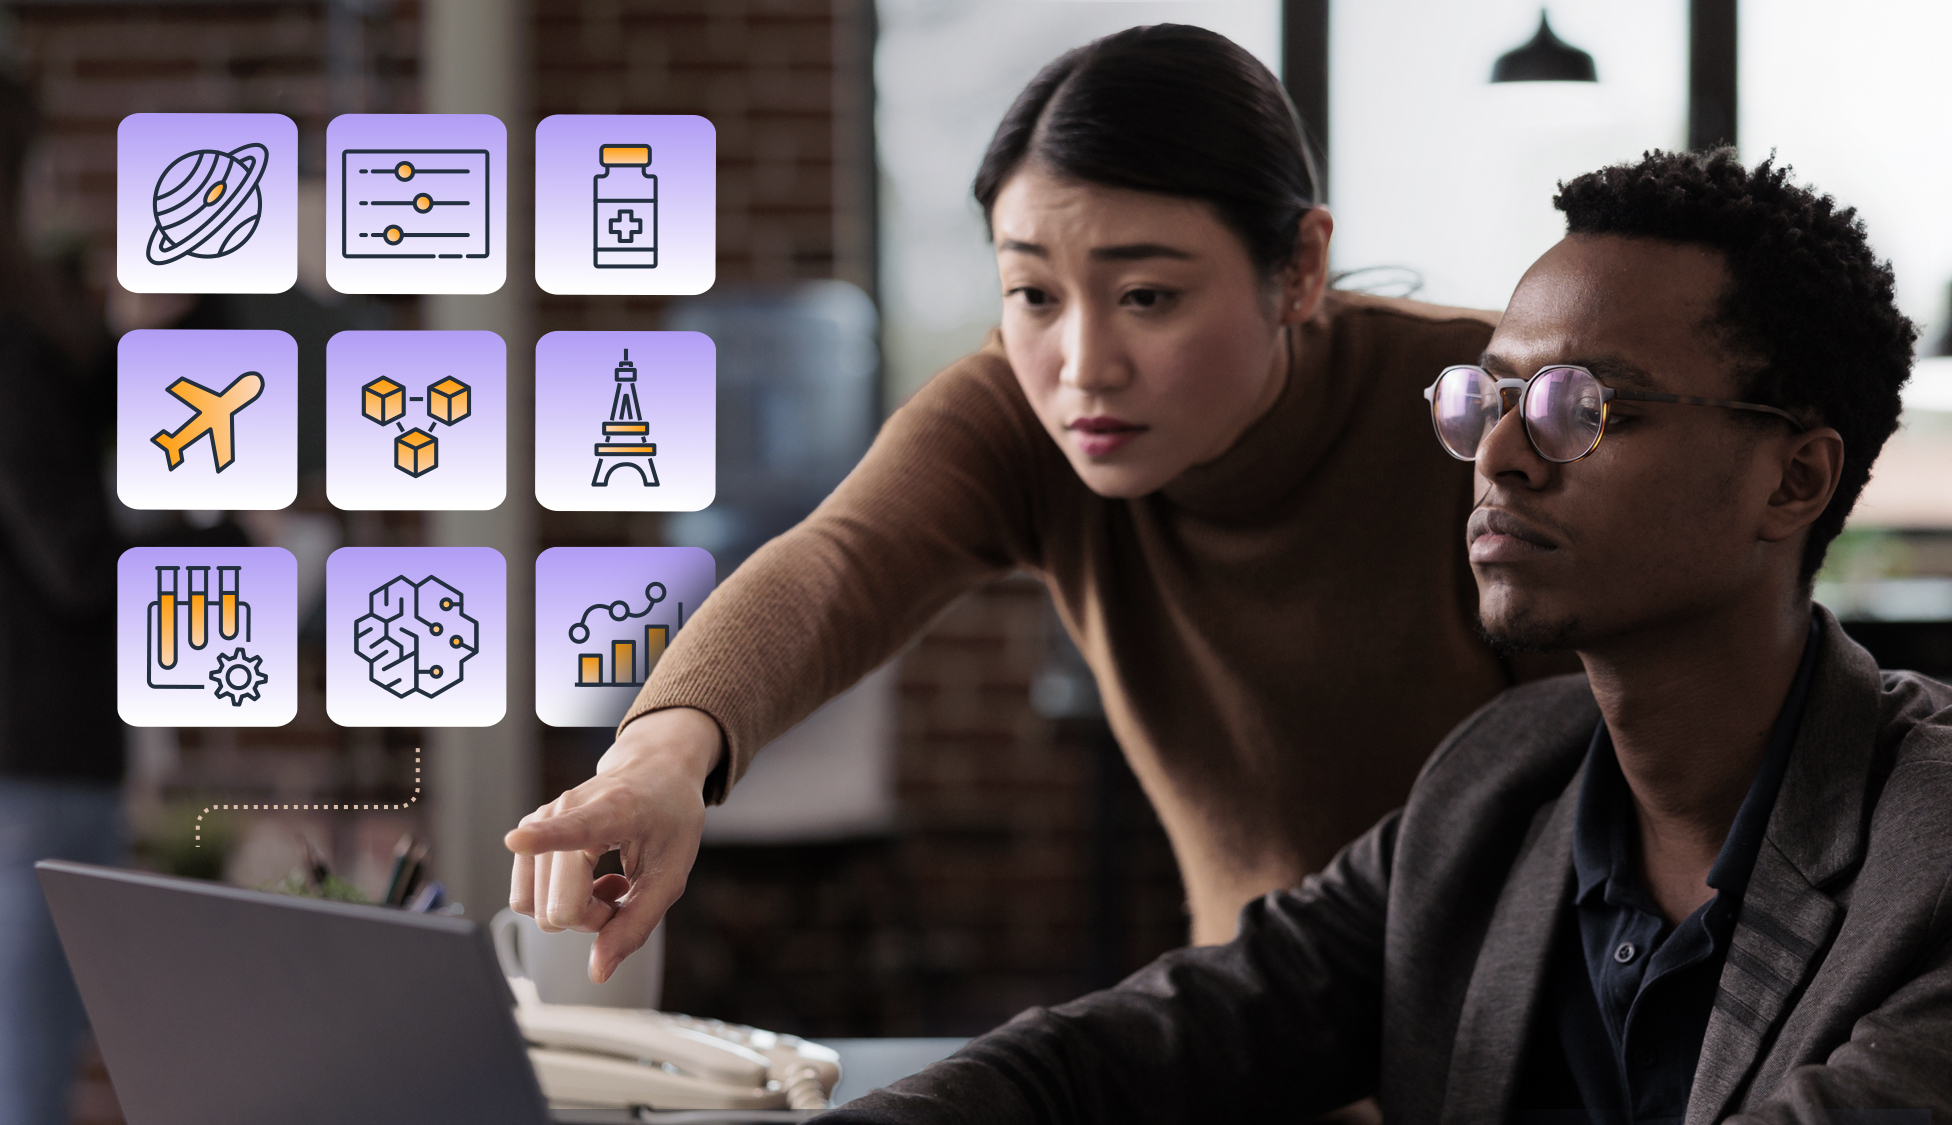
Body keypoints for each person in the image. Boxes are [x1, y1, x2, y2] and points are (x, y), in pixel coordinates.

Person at [807, 150, 1951, 1122]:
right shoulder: (1498, 784)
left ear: (1791, 479)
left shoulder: (1928, 856)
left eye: (1579, 408)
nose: (1500, 458)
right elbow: (1135, 1048)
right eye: (1486, 400)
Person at [507, 24, 1568, 979]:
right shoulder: (1024, 415)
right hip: (1264, 1039)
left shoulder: (1473, 408)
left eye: (1146, 295)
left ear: (1296, 267)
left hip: (1537, 1043)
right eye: (1031, 294)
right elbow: (836, 565)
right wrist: (657, 762)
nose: (1083, 366)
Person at [0, 66, 126, 1125]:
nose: (63, 183)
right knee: (21, 1083)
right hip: (30, 750)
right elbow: (73, 558)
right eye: (44, 161)